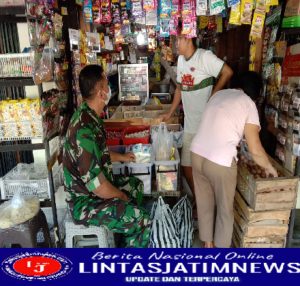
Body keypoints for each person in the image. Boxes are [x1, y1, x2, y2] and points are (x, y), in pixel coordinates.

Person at [63, 64, 150, 248]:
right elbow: (98, 186)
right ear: (101, 92)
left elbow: (98, 155)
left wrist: (123, 157)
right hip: (86, 202)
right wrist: (120, 196)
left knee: (135, 186)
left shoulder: (90, 116)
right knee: (141, 218)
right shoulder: (83, 130)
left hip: (96, 191)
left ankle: (122, 236)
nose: (109, 88)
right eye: (106, 84)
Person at [190, 71, 278, 248]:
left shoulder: (219, 94)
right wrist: (271, 168)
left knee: (204, 203)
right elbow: (256, 149)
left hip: (197, 153)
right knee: (224, 210)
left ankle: (208, 245)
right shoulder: (248, 104)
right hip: (220, 161)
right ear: (255, 93)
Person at [161, 34, 233, 194]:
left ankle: (206, 202)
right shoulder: (180, 61)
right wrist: (170, 112)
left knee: (205, 168)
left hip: (207, 126)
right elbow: (179, 88)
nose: (175, 44)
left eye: (177, 40)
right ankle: (200, 199)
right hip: (190, 125)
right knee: (186, 166)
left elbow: (227, 72)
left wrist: (213, 96)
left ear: (188, 38)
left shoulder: (204, 57)